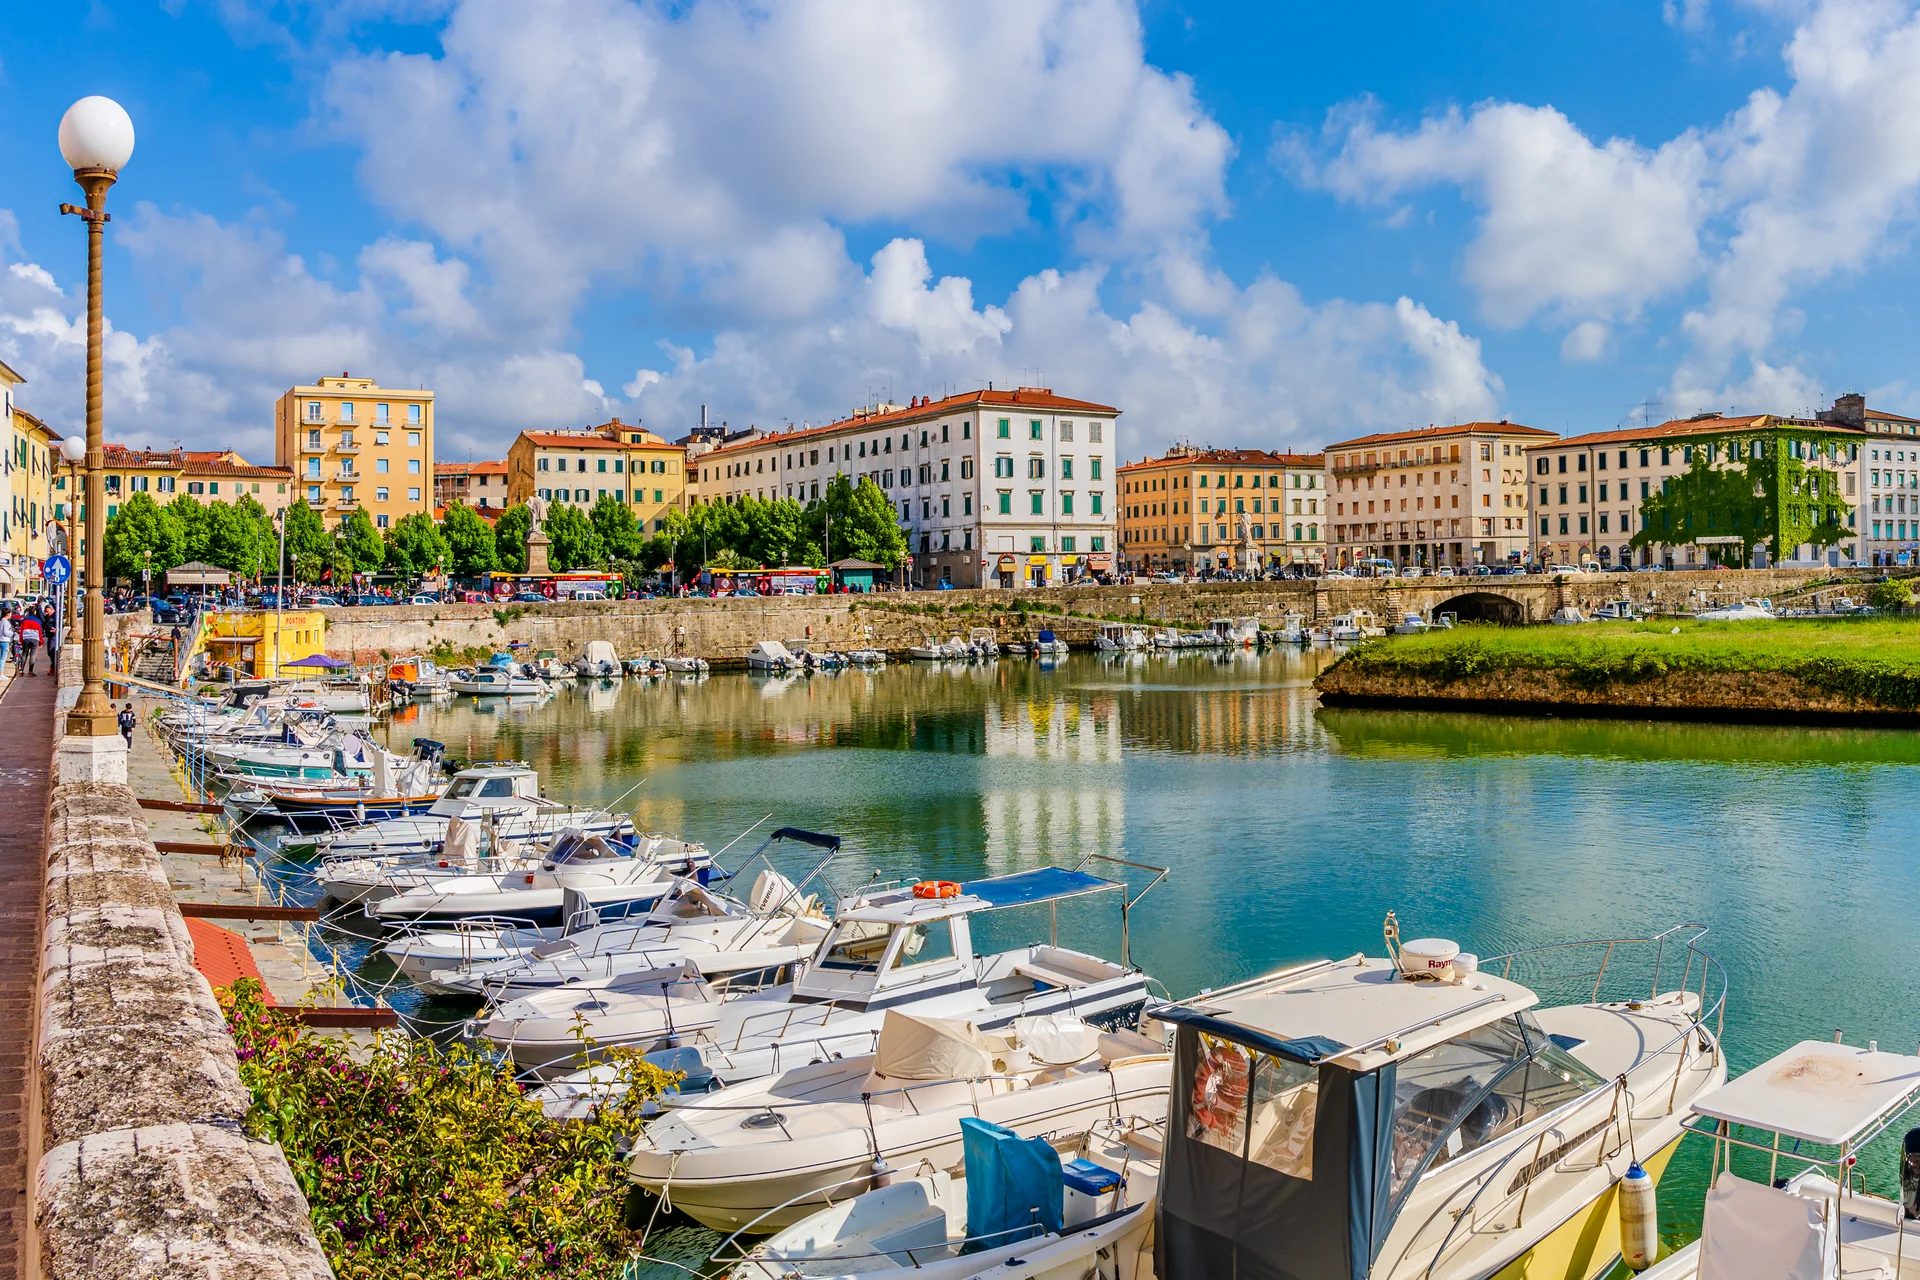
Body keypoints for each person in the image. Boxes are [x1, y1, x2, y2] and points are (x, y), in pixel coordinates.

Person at [15, 610, 41, 675]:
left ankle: (21, 671)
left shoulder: (24, 621)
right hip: (35, 639)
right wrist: (41, 642)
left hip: (25, 639)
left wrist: (21, 640)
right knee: (32, 655)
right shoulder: (37, 621)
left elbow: (21, 631)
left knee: (24, 654)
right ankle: (30, 671)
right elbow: (40, 633)